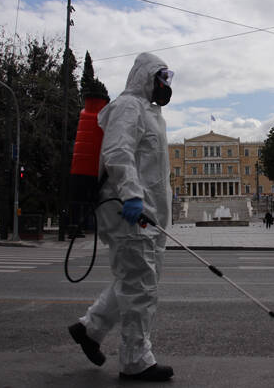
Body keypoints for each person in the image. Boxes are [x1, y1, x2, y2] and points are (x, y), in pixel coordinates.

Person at [69, 52, 174, 382]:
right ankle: (135, 360)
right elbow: (117, 152)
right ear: (147, 77)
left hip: (149, 215)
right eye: (162, 78)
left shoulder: (151, 113)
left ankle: (90, 329)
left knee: (136, 279)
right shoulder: (128, 107)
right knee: (141, 286)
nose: (166, 86)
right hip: (130, 211)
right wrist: (131, 195)